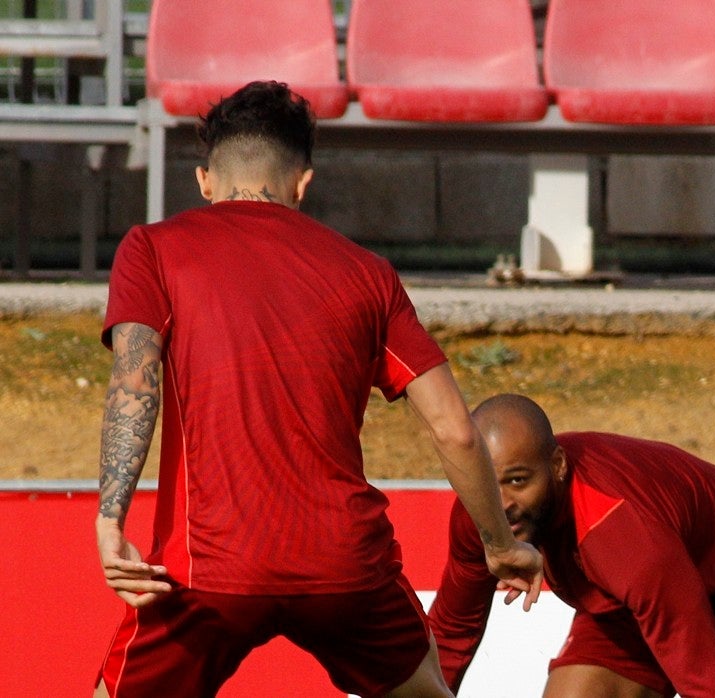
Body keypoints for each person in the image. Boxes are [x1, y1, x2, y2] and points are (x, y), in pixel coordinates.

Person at [93, 81, 543, 698]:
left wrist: (110, 514)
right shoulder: (366, 273)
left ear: (203, 181)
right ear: (303, 183)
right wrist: (500, 545)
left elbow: (133, 382)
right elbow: (456, 430)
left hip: (211, 569)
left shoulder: (154, 250)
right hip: (345, 566)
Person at [428, 394, 715, 698]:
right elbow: (450, 634)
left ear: (557, 467)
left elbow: (703, 677)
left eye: (519, 481)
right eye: (488, 482)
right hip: (629, 610)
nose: (502, 506)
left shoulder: (621, 531)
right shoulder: (482, 510)